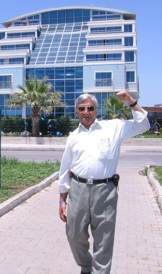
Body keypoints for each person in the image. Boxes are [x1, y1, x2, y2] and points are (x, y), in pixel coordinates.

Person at [58, 90, 150, 274]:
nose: (86, 112)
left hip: (105, 190)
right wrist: (62, 199)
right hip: (78, 189)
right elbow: (65, 169)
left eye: (90, 108)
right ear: (76, 112)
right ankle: (86, 265)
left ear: (96, 110)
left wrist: (130, 102)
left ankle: (100, 271)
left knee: (104, 239)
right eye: (82, 108)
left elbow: (143, 125)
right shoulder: (73, 136)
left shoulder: (113, 127)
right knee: (74, 234)